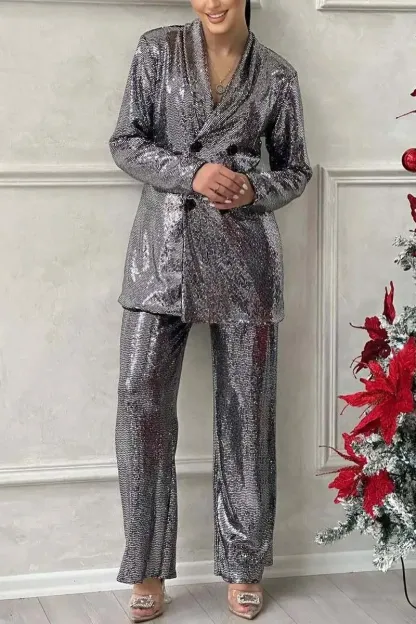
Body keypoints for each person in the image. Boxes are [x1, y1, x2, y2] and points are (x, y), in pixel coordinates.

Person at [109, 0, 312, 620]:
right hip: (162, 254)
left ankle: (245, 564)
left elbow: (296, 170)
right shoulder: (157, 50)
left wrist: (254, 188)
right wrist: (192, 173)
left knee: (247, 412)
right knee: (140, 402)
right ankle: (145, 567)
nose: (212, 2)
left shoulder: (276, 74)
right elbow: (125, 141)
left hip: (245, 259)